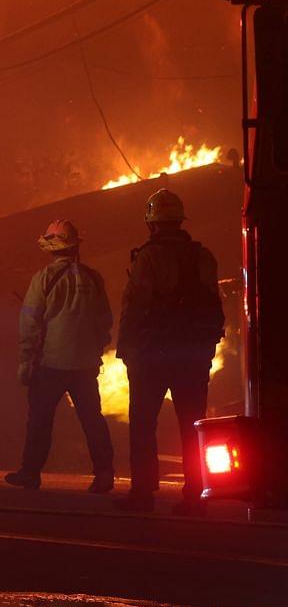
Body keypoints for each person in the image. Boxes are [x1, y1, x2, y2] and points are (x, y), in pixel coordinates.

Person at [114, 188, 223, 514]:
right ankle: (195, 495)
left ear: (152, 223)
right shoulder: (202, 255)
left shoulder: (147, 257)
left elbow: (135, 306)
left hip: (152, 354)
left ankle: (143, 493)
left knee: (143, 423)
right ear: (179, 220)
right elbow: (213, 304)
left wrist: (126, 348)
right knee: (193, 426)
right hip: (191, 354)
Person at [4, 219, 115, 493]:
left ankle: (30, 473)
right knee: (92, 419)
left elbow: (29, 322)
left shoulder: (43, 278)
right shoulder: (93, 278)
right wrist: (95, 349)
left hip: (51, 363)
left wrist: (25, 360)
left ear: (51, 246)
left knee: (41, 419)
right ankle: (104, 474)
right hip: (85, 365)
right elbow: (104, 321)